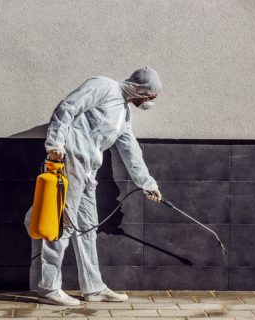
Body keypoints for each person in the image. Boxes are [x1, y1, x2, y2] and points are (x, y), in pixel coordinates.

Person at [24, 66, 163, 306]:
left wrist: (147, 184)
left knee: (87, 228)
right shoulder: (103, 86)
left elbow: (131, 152)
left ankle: (93, 288)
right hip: (70, 159)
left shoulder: (124, 114)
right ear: (141, 89)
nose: (151, 101)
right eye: (152, 96)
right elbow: (67, 107)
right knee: (62, 224)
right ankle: (48, 288)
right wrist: (55, 144)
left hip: (89, 169)